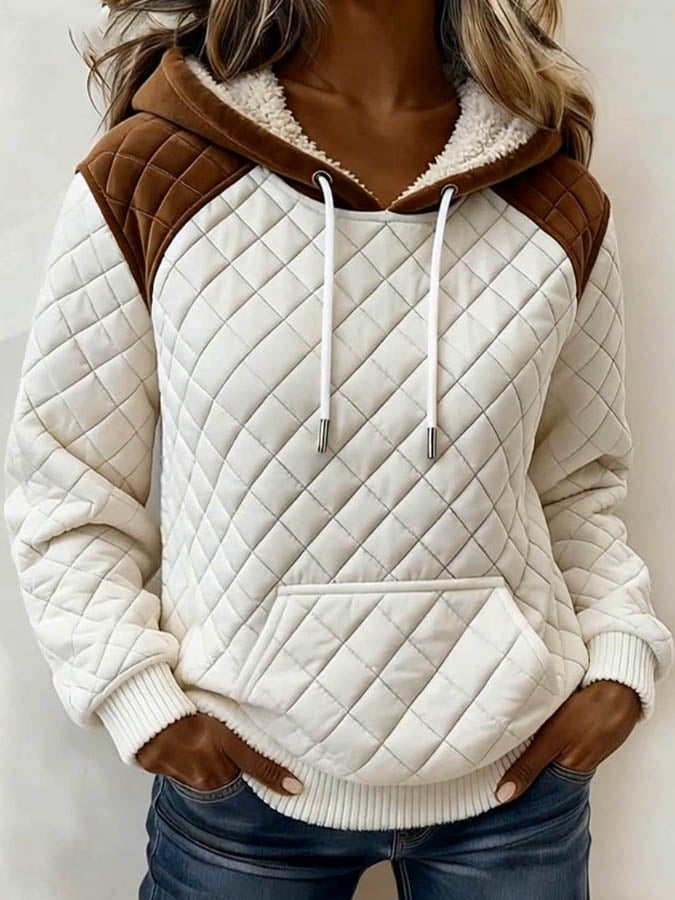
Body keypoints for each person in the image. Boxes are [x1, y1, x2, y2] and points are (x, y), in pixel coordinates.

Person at [4, 1, 674, 898]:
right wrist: (138, 697)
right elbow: (65, 483)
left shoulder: (553, 196)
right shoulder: (149, 175)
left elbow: (579, 483)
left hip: (515, 790)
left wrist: (619, 661)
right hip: (242, 794)